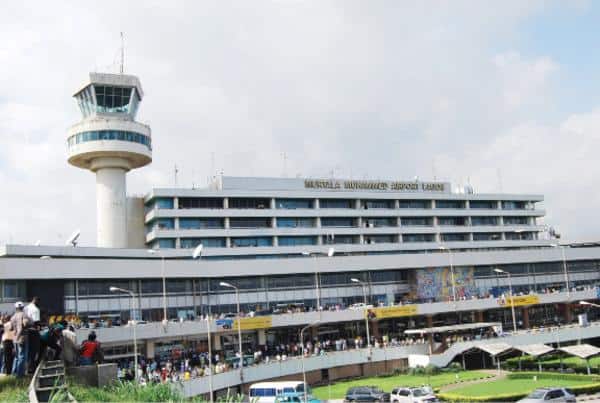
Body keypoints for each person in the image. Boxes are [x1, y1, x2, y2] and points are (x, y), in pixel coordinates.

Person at [10, 301, 32, 377]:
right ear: (22, 307)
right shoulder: (24, 314)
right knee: (22, 356)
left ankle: (14, 372)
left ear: (16, 308)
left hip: (14, 338)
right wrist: (29, 324)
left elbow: (11, 328)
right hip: (22, 337)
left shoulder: (13, 317)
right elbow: (25, 324)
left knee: (16, 357)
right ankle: (20, 375)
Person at [25, 297, 41, 372]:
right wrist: (40, 327)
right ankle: (32, 368)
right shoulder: (35, 309)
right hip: (33, 332)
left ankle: (27, 367)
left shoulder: (25, 308)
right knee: (34, 350)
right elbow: (36, 322)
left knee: (27, 350)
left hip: (25, 331)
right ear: (36, 301)